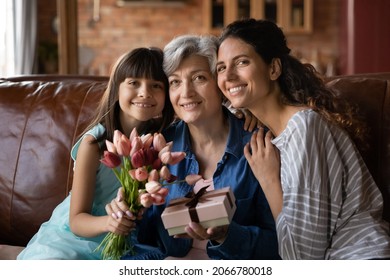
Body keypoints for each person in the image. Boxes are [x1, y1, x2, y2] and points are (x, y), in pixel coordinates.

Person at [216, 18, 390, 259]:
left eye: (242, 62)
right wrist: (244, 108)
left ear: (274, 69)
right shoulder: (282, 129)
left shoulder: (303, 129)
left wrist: (269, 181)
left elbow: (303, 258)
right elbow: (225, 104)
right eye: (221, 68)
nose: (229, 76)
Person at [107, 34, 280, 260]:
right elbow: (141, 241)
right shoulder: (155, 148)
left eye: (199, 78)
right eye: (175, 82)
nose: (186, 93)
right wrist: (126, 215)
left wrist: (227, 236)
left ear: (219, 84)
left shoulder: (259, 146)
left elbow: (278, 243)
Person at [16, 47, 175, 259]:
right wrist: (109, 223)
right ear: (117, 89)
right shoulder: (94, 144)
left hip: (128, 241)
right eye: (133, 83)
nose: (145, 92)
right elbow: (76, 220)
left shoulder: (159, 143)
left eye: (156, 85)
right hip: (79, 237)